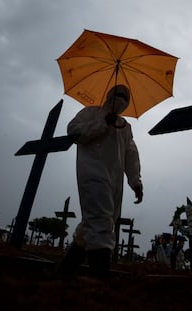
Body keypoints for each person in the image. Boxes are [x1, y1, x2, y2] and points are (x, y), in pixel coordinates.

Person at [59, 85, 143, 279]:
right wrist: (102, 123)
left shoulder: (125, 126)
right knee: (101, 221)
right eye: (118, 95)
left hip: (115, 182)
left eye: (125, 97)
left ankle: (64, 272)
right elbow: (74, 132)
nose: (121, 99)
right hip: (92, 173)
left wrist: (135, 181)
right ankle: (100, 278)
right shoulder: (90, 113)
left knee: (92, 226)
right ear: (109, 95)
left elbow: (131, 155)